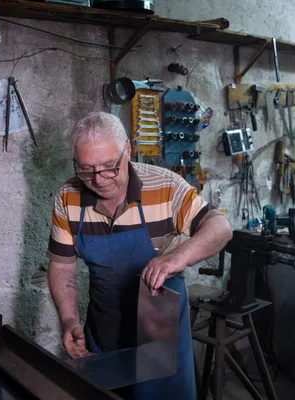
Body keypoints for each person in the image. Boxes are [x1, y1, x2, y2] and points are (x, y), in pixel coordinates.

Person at [47, 112, 232, 399]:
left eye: (110, 167)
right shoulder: (68, 197)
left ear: (128, 150)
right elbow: (61, 267)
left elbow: (220, 227)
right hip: (104, 329)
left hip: (161, 331)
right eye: (86, 170)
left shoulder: (165, 187)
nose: (100, 180)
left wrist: (177, 257)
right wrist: (69, 320)